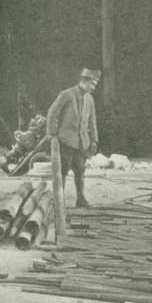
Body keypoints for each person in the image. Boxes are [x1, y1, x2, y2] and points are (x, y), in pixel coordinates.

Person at [47, 68, 100, 207]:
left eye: (95, 84)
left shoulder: (90, 99)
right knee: (63, 170)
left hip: (82, 142)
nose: (94, 87)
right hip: (66, 141)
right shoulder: (66, 94)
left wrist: (94, 140)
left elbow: (92, 121)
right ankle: (59, 201)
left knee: (80, 170)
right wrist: (52, 134)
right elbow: (52, 113)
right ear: (84, 81)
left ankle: (80, 199)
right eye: (92, 84)